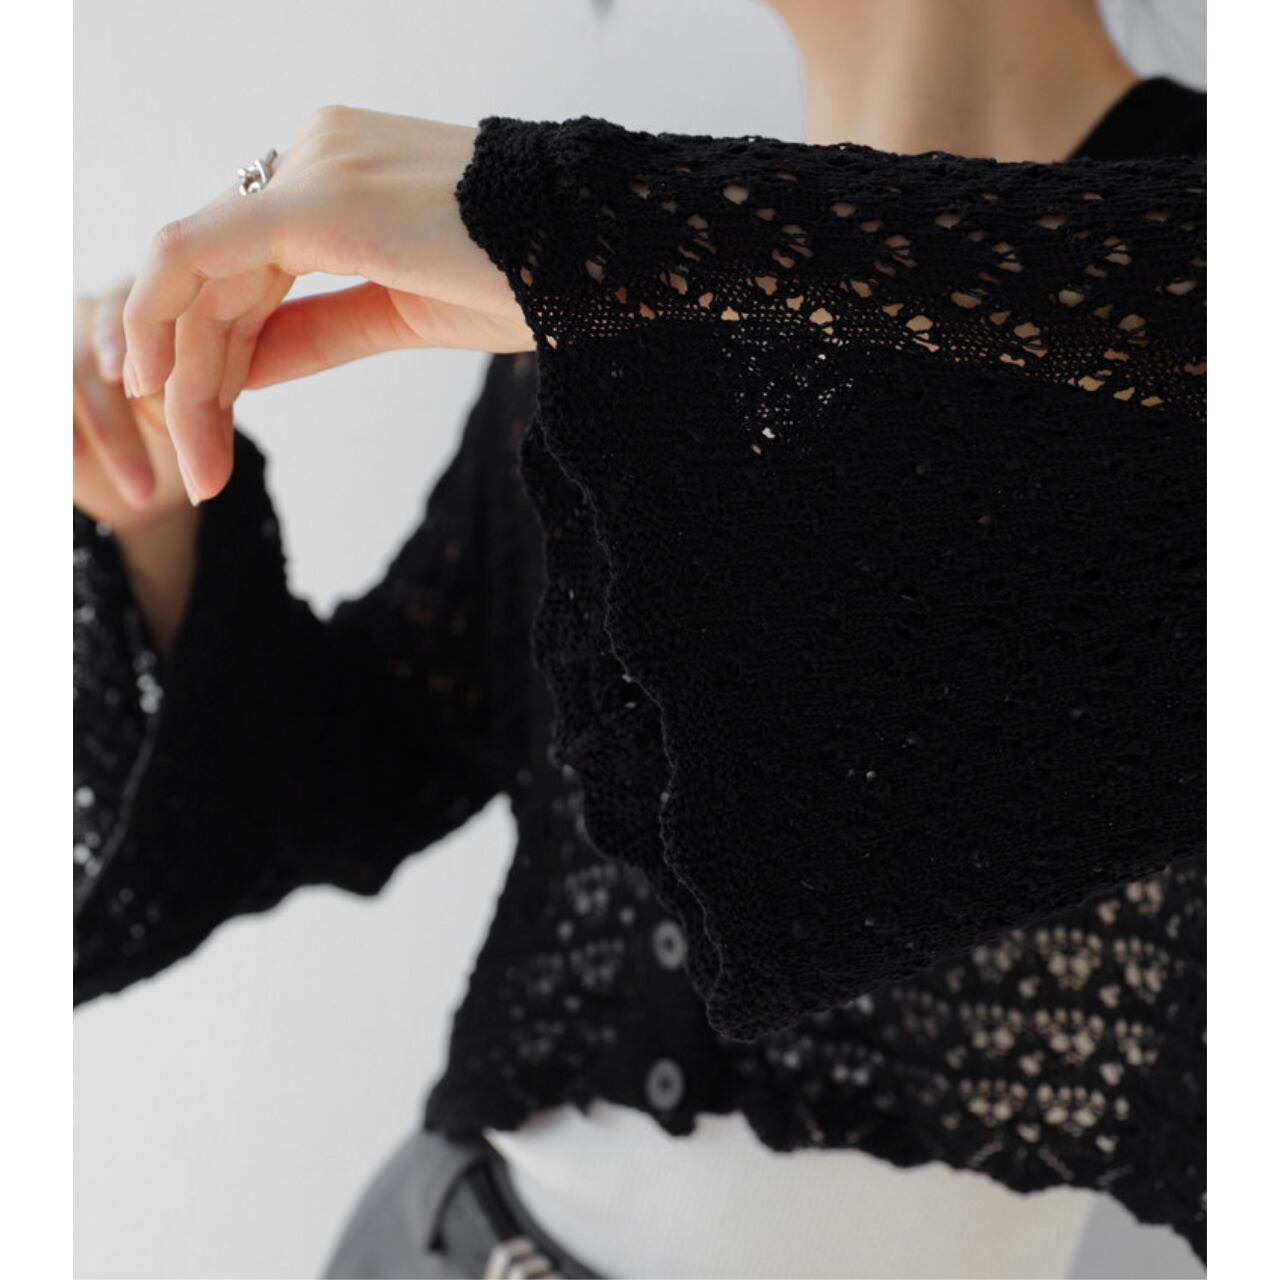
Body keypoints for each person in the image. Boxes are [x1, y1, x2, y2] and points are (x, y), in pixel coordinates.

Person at [73, 2, 1206, 1276]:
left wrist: (612, 228)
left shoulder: (1180, 279)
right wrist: (153, 508)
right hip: (435, 1237)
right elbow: (367, 753)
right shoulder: (604, 295)